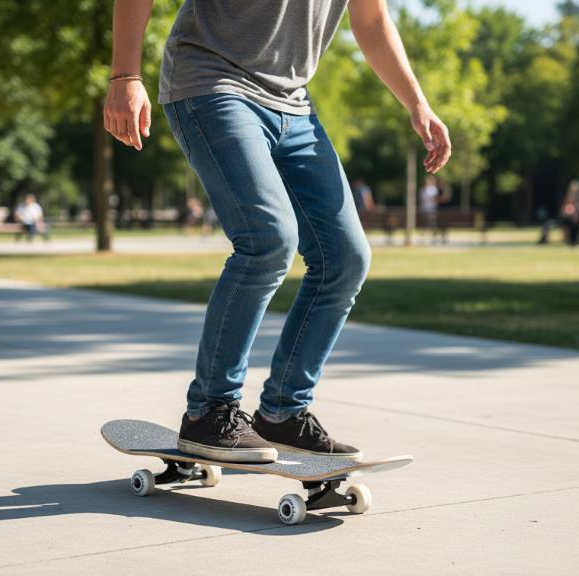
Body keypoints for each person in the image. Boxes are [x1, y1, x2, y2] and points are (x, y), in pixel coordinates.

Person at [105, 0, 451, 463]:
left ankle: (284, 413)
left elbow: (370, 20)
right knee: (267, 240)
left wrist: (417, 101)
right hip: (212, 82)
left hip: (293, 104)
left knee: (345, 259)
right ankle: (210, 410)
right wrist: (125, 76)